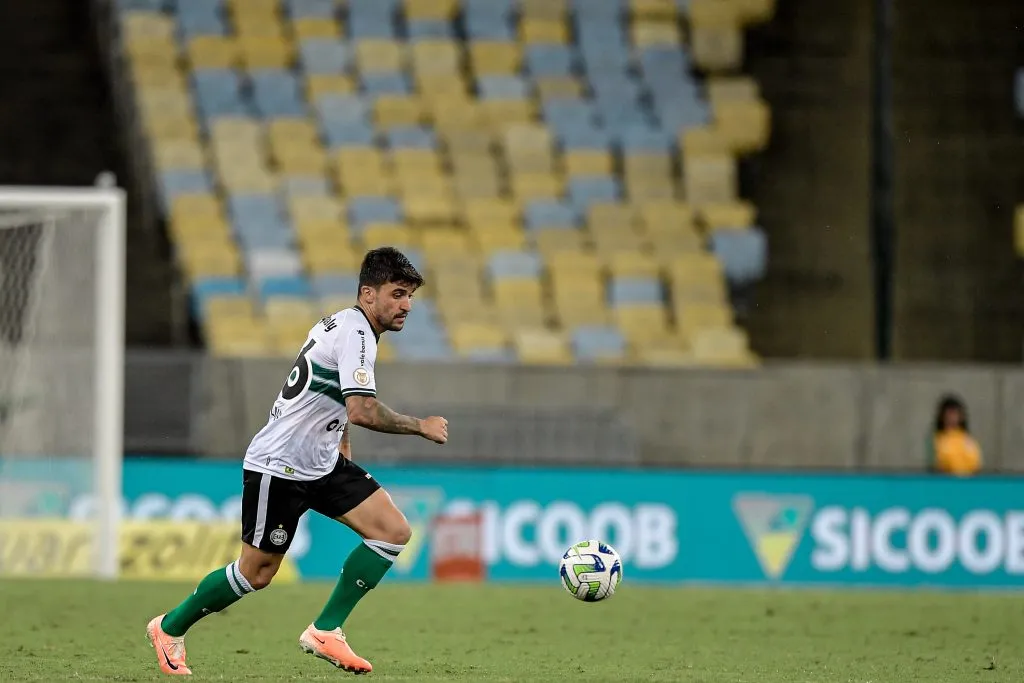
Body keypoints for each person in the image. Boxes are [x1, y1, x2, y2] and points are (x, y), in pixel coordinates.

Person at [146, 247, 449, 676]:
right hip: (279, 466)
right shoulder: (356, 333)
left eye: (410, 297)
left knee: (393, 531)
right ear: (368, 294)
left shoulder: (349, 326)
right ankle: (169, 627)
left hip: (322, 464)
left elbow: (336, 398)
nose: (407, 305)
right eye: (398, 294)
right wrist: (420, 425)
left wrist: (342, 443)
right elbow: (362, 408)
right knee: (256, 574)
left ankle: (326, 630)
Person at [927, 394, 981, 477]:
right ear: (942, 416)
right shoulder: (936, 439)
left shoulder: (967, 439)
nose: (952, 418)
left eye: (955, 414)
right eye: (949, 413)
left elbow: (975, 464)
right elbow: (936, 464)